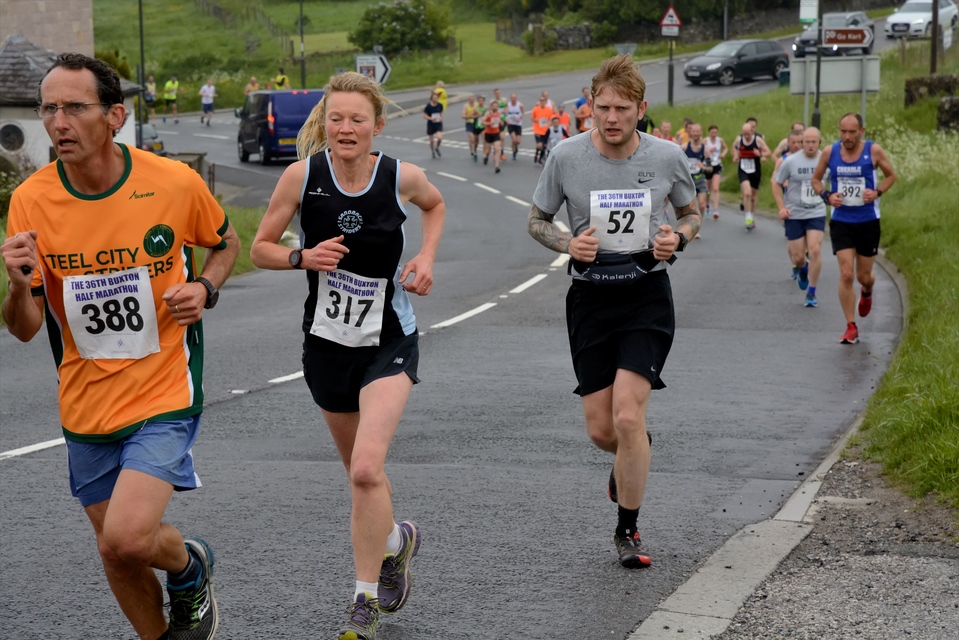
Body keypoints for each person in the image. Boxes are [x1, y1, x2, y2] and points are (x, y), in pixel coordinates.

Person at [1, 52, 239, 640]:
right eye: (49, 108)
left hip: (163, 388)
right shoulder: (30, 201)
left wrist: (205, 286)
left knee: (128, 535)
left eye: (74, 107)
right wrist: (15, 284)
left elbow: (226, 242)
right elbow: (26, 327)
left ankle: (186, 565)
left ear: (113, 116)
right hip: (84, 401)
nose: (59, 122)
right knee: (116, 552)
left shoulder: (172, 182)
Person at [249, 71, 444, 640]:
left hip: (389, 339)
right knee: (362, 479)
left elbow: (435, 206)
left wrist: (426, 258)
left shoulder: (400, 176)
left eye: (357, 119)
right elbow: (260, 248)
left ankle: (362, 603)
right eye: (336, 118)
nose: (346, 128)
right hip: (328, 344)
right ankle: (394, 543)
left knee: (365, 468)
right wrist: (301, 259)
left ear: (376, 126)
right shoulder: (300, 176)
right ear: (324, 123)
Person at [527, 54, 701, 569]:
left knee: (628, 414)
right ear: (591, 106)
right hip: (590, 297)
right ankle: (632, 454)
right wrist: (565, 243)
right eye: (602, 107)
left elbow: (691, 214)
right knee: (604, 430)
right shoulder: (566, 156)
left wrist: (677, 238)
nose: (611, 117)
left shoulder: (668, 157)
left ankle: (628, 528)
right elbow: (536, 220)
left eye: (622, 108)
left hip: (646, 293)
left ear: (640, 109)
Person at [812, 112, 896, 345]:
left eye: (851, 132)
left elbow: (891, 176)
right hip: (842, 221)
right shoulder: (830, 152)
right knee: (847, 274)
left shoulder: (873, 151)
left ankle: (867, 291)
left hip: (868, 220)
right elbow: (816, 181)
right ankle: (851, 326)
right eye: (843, 131)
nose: (847, 137)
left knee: (863, 276)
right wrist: (827, 196)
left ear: (862, 131)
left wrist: (877, 192)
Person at [772, 127, 828, 308]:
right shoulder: (790, 161)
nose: (810, 145)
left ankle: (811, 292)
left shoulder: (826, 160)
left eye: (814, 142)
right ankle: (803, 268)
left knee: (815, 251)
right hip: (795, 213)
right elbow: (776, 183)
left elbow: (836, 181)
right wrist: (782, 207)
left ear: (819, 142)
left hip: (816, 211)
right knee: (797, 257)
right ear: (801, 142)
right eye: (807, 142)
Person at [732, 122, 771, 230]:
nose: (746, 136)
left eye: (748, 134)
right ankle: (748, 217)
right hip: (743, 169)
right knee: (747, 192)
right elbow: (734, 148)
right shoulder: (740, 140)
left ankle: (752, 216)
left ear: (752, 132)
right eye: (744, 134)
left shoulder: (758, 140)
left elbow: (769, 152)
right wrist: (735, 156)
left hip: (755, 170)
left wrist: (761, 155)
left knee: (753, 196)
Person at [682, 122, 709, 236]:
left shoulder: (705, 150)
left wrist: (704, 167)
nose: (696, 133)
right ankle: (689, 226)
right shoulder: (684, 147)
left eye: (698, 131)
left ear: (701, 133)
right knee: (689, 207)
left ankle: (697, 226)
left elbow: (711, 168)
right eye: (694, 131)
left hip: (700, 179)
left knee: (702, 205)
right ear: (690, 133)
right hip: (688, 180)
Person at [703, 124, 727, 219]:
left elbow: (726, 148)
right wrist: (708, 150)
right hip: (708, 166)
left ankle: (716, 210)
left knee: (716, 188)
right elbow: (700, 150)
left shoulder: (719, 140)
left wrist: (723, 153)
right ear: (709, 133)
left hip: (717, 165)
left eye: (715, 132)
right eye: (712, 132)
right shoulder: (705, 141)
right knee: (708, 190)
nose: (714, 134)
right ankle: (707, 204)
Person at [481, 101, 504, 173]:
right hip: (488, 133)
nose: (495, 107)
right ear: (491, 107)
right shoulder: (488, 113)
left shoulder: (499, 113)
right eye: (493, 106)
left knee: (497, 149)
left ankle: (497, 167)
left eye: (496, 106)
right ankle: (486, 156)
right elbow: (482, 122)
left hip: (496, 133)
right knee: (488, 150)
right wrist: (489, 123)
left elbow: (499, 121)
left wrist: (501, 123)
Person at [530, 94, 553, 165]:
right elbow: (532, 118)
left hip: (545, 130)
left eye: (543, 100)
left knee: (544, 146)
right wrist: (535, 119)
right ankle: (537, 153)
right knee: (540, 145)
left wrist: (549, 124)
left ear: (546, 101)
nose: (542, 102)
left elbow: (550, 119)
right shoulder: (536, 109)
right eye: (541, 100)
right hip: (537, 130)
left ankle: (540, 158)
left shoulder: (549, 109)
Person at [423, 90, 444, 159]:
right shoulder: (428, 106)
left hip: (438, 123)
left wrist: (441, 117)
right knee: (431, 141)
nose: (436, 99)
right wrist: (431, 118)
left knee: (439, 138)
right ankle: (433, 151)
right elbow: (425, 116)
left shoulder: (440, 105)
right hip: (431, 124)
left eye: (437, 98)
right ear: (431, 99)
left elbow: (441, 112)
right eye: (434, 98)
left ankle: (437, 147)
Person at [505, 92, 524, 160]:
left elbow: (522, 113)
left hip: (518, 124)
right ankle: (514, 152)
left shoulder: (520, 105)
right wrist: (506, 120)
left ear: (516, 98)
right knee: (514, 139)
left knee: (518, 141)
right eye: (512, 98)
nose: (513, 99)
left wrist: (520, 117)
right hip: (511, 124)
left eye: (514, 98)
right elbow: (505, 113)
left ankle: (515, 146)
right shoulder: (508, 105)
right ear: (510, 98)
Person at [462, 94, 481, 161]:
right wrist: (470, 116)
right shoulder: (466, 106)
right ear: (468, 100)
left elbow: (480, 113)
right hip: (469, 123)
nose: (471, 100)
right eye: (470, 99)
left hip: (476, 123)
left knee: (475, 139)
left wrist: (477, 116)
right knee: (471, 137)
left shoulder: (477, 105)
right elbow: (463, 116)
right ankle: (472, 151)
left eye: (473, 99)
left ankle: (474, 149)